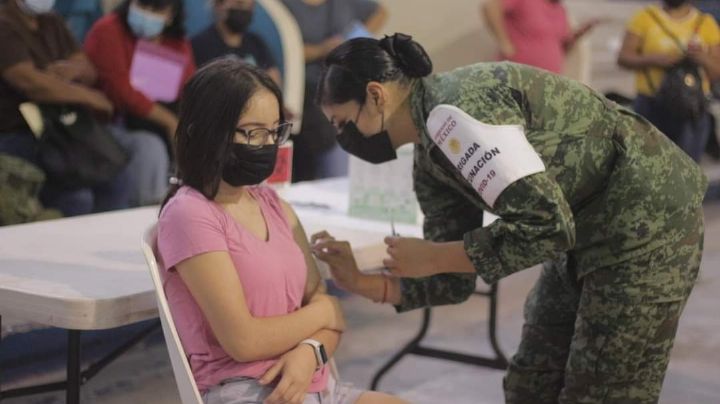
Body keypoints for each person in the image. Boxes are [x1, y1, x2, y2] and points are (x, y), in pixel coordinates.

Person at [310, 34, 706, 403]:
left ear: (375, 95)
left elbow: (545, 228)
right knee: (531, 381)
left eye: (344, 123)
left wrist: (432, 255)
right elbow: (455, 281)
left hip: (648, 218)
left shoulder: (457, 112)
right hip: (581, 228)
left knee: (603, 388)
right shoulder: (430, 154)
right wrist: (364, 282)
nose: (345, 138)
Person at [156, 59, 406, 404]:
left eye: (275, 131)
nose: (269, 144)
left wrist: (310, 353)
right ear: (210, 131)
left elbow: (333, 318)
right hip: (248, 389)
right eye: (254, 132)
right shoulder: (190, 214)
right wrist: (322, 314)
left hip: (313, 383)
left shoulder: (273, 204)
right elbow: (244, 341)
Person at [0, 0, 130, 216]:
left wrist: (71, 71)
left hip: (66, 127)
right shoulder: (5, 25)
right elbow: (31, 84)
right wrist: (89, 97)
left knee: (118, 178)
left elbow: (88, 69)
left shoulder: (51, 22)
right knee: (77, 198)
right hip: (21, 133)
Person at [84, 0, 196, 205]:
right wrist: (170, 122)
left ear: (171, 15)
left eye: (156, 9)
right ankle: (150, 210)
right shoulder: (108, 30)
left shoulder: (177, 42)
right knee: (149, 147)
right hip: (110, 122)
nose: (147, 13)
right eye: (142, 5)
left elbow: (191, 89)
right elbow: (122, 91)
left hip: (162, 122)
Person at [281, 0, 387, 182]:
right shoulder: (284, 6)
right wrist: (323, 49)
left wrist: (357, 38)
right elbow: (284, 48)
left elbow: (379, 12)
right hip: (307, 94)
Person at [618, 0, 720, 162]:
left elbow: (716, 73)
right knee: (646, 167)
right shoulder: (645, 17)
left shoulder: (705, 23)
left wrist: (701, 58)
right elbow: (623, 58)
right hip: (651, 106)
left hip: (691, 109)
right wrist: (654, 59)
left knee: (685, 172)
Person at [481, 0, 600, 74]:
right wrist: (504, 42)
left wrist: (579, 34)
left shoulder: (561, 10)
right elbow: (490, 7)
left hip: (546, 82)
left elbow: (563, 47)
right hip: (515, 75)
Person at [191, 0, 280, 85]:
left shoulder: (257, 43)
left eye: (250, 6)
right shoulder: (199, 45)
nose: (244, 10)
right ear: (219, 5)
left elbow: (273, 79)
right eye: (239, 3)